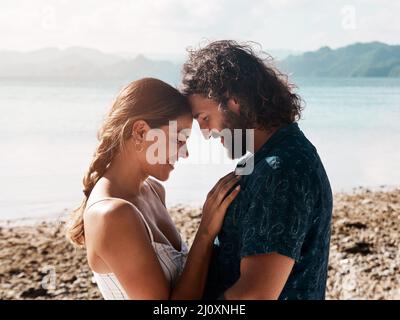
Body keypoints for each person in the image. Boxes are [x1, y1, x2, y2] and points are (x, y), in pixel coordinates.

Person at [181, 40, 333, 300]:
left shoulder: (280, 169)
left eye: (204, 119)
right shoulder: (265, 160)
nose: (206, 134)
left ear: (234, 100)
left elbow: (255, 295)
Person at [66, 77, 240, 299]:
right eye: (179, 140)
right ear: (140, 131)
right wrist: (205, 232)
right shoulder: (112, 215)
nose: (185, 153)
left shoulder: (154, 191)